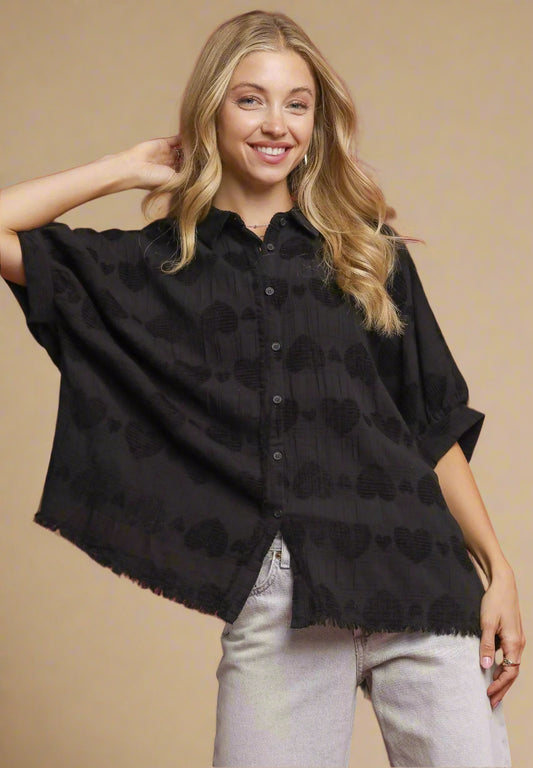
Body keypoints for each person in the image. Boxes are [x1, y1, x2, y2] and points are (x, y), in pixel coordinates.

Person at [0, 9, 524, 768]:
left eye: (296, 103)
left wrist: (497, 571)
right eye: (250, 99)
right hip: (283, 595)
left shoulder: (369, 259)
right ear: (211, 110)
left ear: (316, 121)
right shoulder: (157, 269)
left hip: (420, 583)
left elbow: (429, 426)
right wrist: (123, 166)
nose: (275, 123)